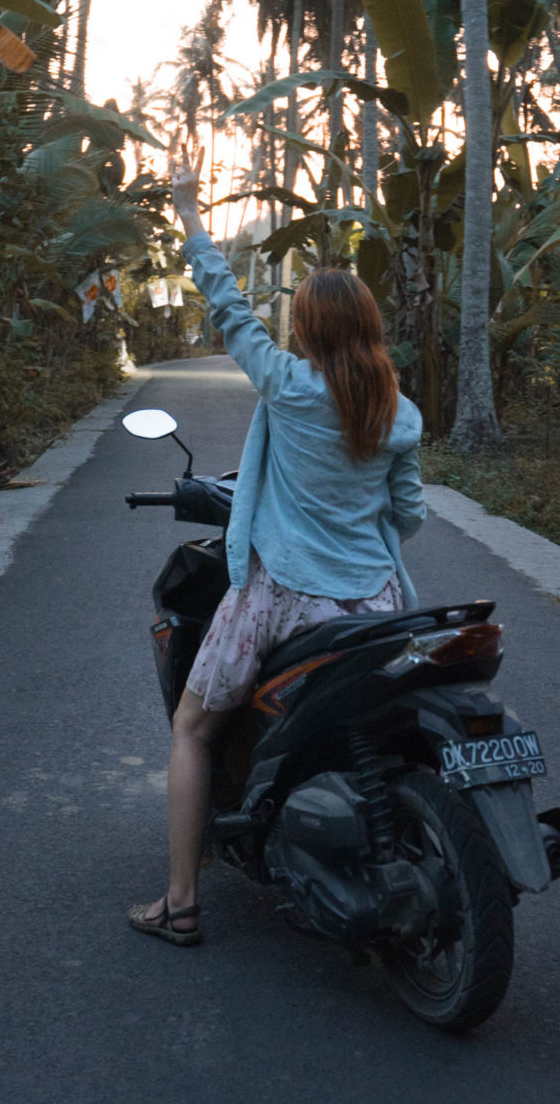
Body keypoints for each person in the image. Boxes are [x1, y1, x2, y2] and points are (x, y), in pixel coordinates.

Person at [128, 152, 426, 948]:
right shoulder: (400, 415)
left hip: (285, 595)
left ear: (305, 329)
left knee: (193, 727)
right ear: (367, 325)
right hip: (378, 603)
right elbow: (411, 513)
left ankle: (182, 901)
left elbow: (226, 307)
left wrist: (190, 210)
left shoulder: (291, 389)